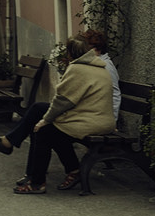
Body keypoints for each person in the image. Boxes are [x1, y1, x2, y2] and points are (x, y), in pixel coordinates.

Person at [0, 29, 120, 155]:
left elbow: (66, 100)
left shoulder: (97, 67)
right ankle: (10, 144)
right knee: (37, 109)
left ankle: (45, 174)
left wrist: (111, 121)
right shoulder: (92, 64)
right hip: (84, 114)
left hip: (87, 118)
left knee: (43, 128)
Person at [11, 35, 114, 194]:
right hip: (98, 119)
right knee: (39, 109)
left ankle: (37, 183)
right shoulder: (99, 67)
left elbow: (63, 101)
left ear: (70, 53)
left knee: (44, 132)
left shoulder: (78, 69)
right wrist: (46, 118)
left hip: (90, 122)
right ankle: (71, 170)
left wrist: (45, 121)